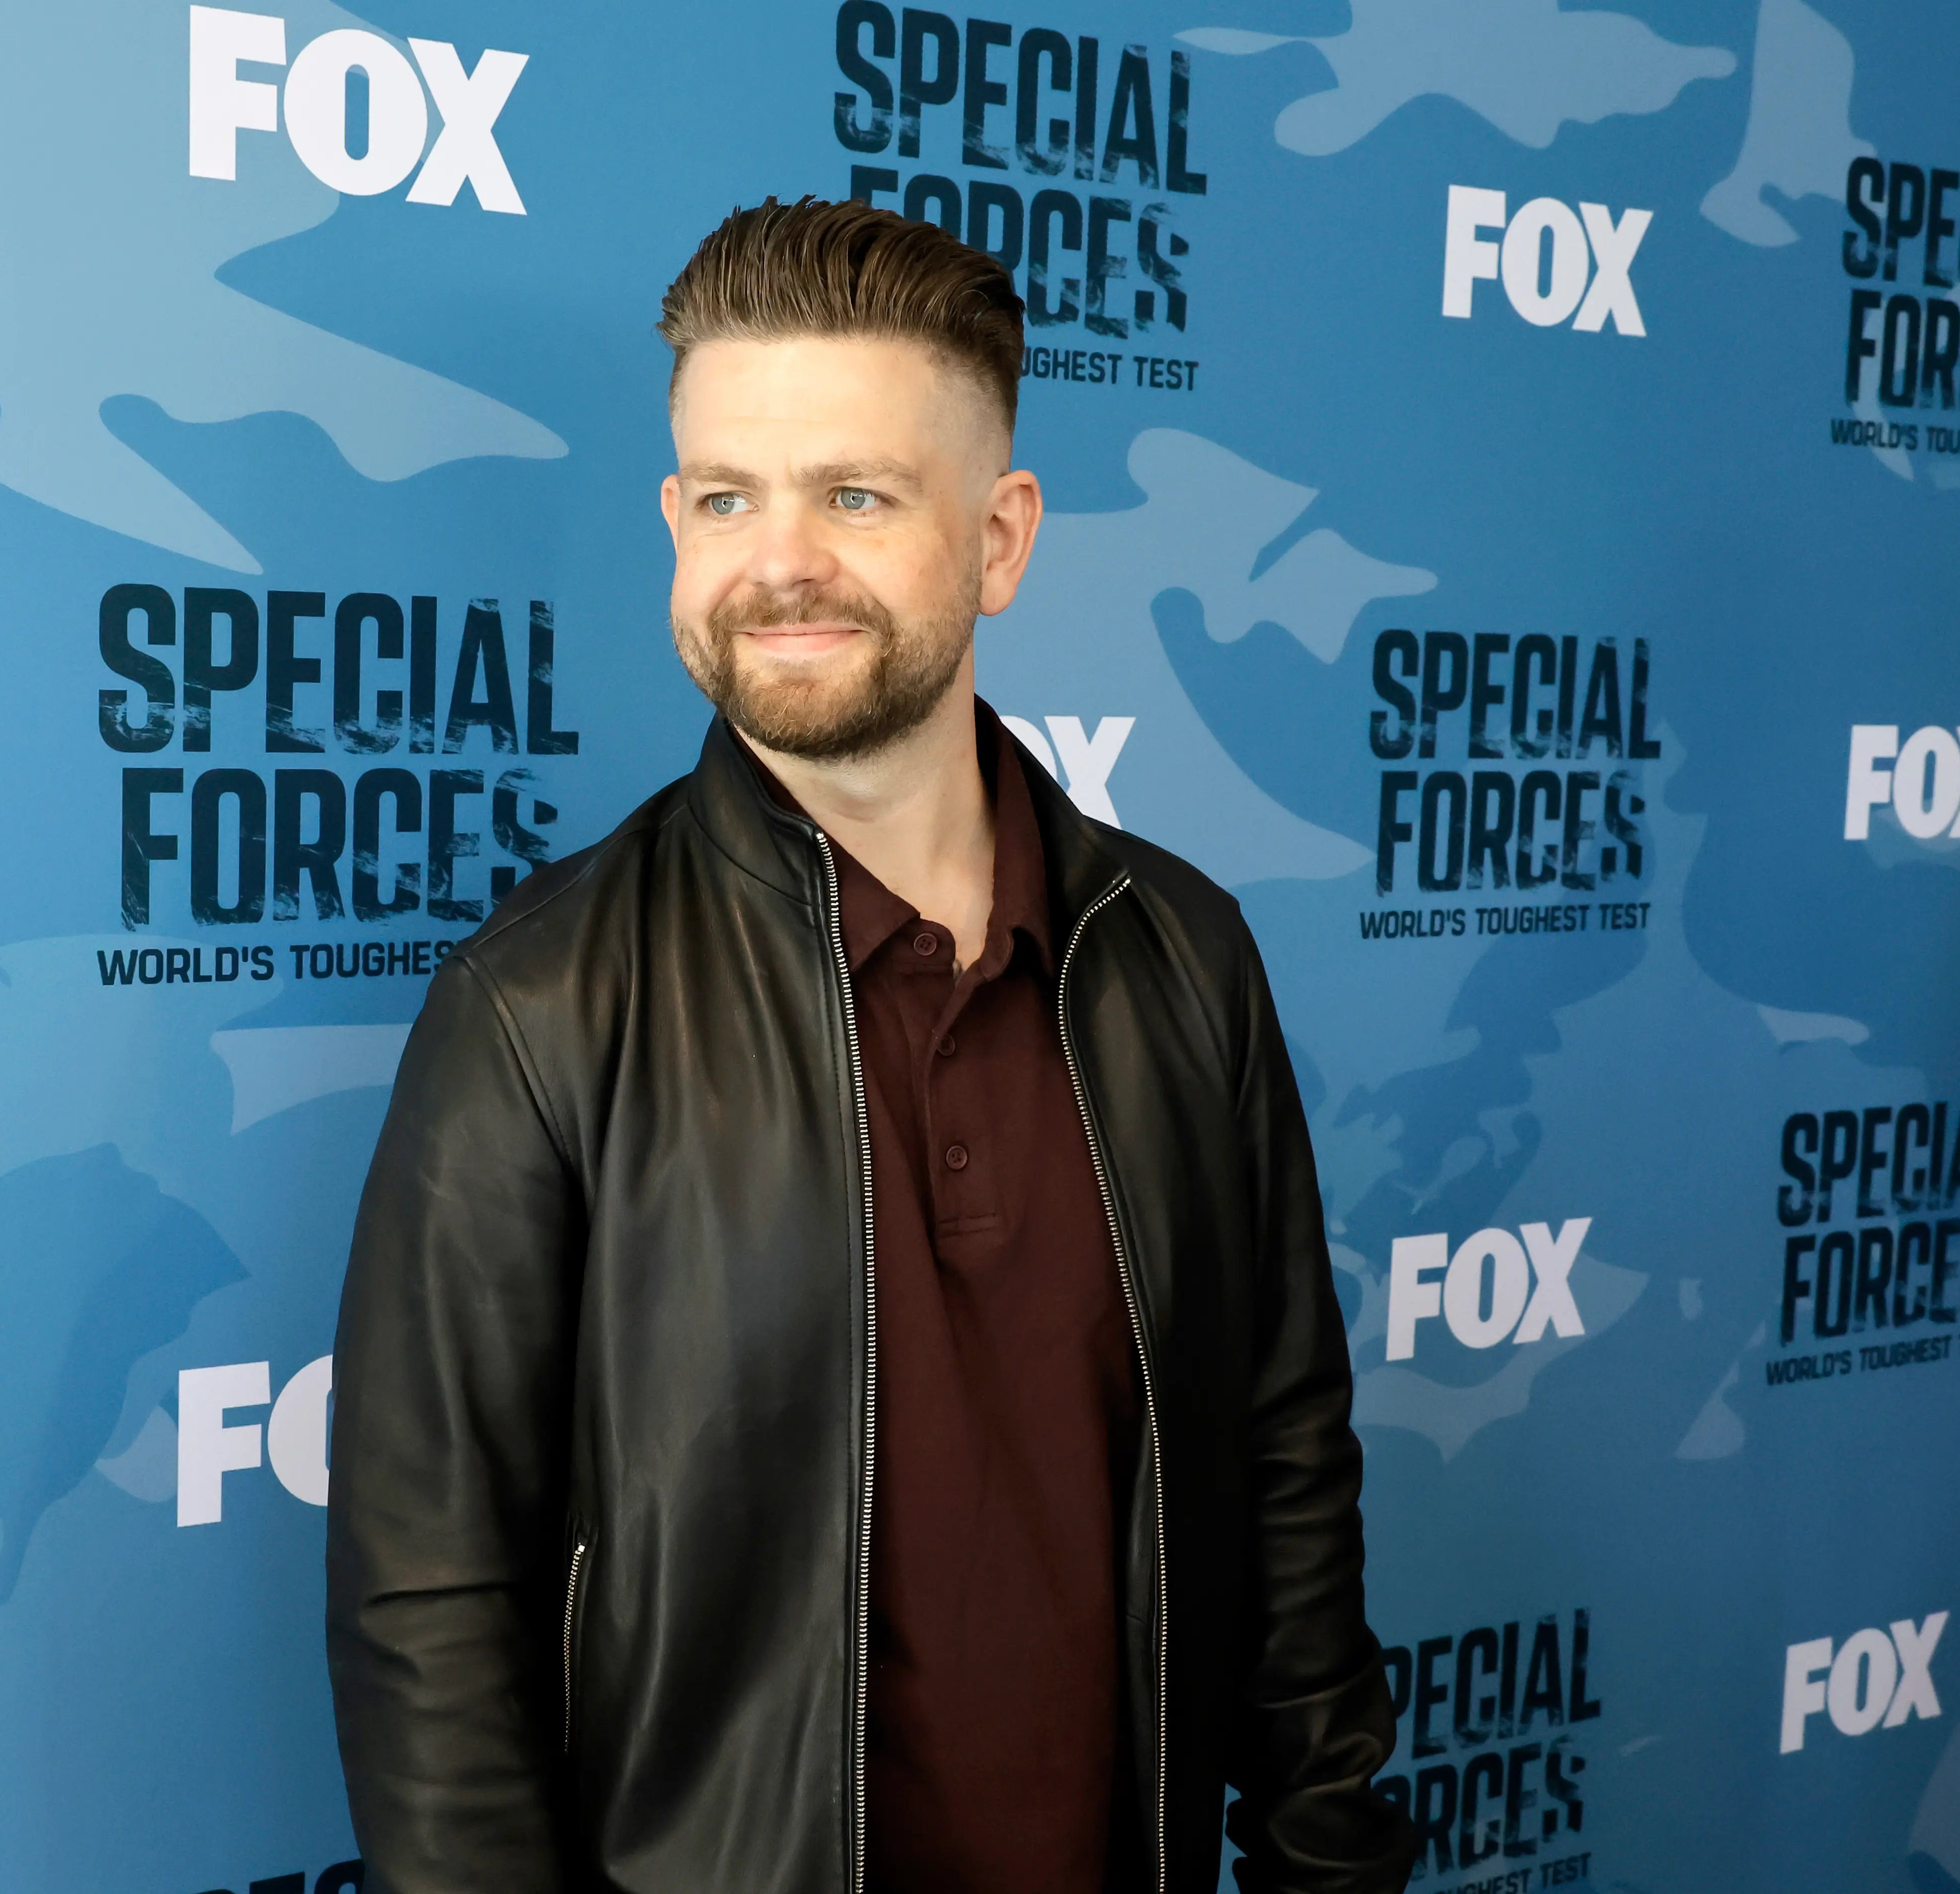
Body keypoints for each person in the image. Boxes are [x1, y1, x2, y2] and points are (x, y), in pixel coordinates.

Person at [328, 196, 1412, 1894]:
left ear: (1000, 538)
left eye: (855, 495)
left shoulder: (1180, 960)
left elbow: (1284, 1474)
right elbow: (433, 1607)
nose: (780, 564)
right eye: (726, 498)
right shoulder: (538, 1009)